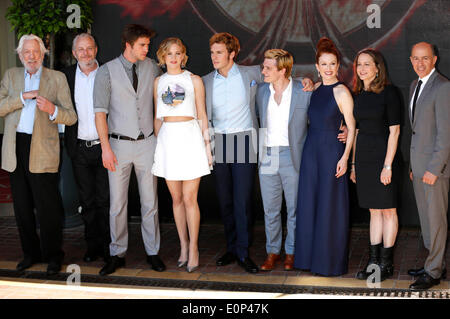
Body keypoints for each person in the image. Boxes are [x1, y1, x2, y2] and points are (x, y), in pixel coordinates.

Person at [202, 32, 312, 274]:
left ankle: (244, 251)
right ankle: (232, 248)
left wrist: (307, 80)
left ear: (232, 54)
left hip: (245, 141)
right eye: (212, 52)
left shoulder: (251, 74)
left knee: (243, 201)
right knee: (226, 201)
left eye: (219, 52)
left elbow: (287, 79)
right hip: (219, 142)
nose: (214, 57)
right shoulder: (205, 80)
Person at [0, 34, 77, 275]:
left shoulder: (57, 78)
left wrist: (53, 109)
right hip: (15, 148)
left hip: (43, 148)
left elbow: (71, 116)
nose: (31, 56)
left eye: (35, 52)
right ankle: (29, 254)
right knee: (22, 208)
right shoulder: (11, 76)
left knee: (48, 209)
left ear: (43, 53)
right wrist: (22, 98)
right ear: (19, 55)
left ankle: (53, 256)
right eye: (26, 52)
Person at [94, 24, 165, 276]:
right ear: (128, 45)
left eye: (148, 45)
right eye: (142, 45)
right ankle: (117, 253)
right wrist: (105, 148)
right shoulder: (105, 72)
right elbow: (100, 114)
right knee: (117, 204)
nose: (148, 49)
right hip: (117, 145)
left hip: (147, 143)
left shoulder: (153, 67)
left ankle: (153, 252)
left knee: (150, 202)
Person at [294, 37, 356, 276]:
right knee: (310, 203)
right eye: (324, 64)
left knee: (330, 206)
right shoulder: (316, 88)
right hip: (311, 151)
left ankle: (329, 262)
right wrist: (308, 81)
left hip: (332, 152)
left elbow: (351, 126)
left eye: (333, 64)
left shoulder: (342, 91)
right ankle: (310, 259)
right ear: (317, 66)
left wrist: (345, 159)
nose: (329, 68)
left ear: (338, 65)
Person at [152, 38, 212, 273]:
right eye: (169, 54)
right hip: (168, 140)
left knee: (190, 199)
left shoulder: (194, 80)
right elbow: (157, 117)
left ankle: (195, 248)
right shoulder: (158, 82)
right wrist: (159, 146)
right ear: (163, 58)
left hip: (190, 138)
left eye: (178, 53)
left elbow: (203, 115)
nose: (174, 58)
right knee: (176, 199)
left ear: (184, 56)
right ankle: (183, 246)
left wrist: (208, 147)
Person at [350, 49, 401, 282]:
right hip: (364, 159)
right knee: (373, 211)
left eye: (367, 64)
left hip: (384, 158)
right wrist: (353, 165)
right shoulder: (358, 95)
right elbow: (357, 131)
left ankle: (386, 265)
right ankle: (373, 263)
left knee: (388, 210)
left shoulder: (389, 93)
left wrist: (387, 166)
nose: (362, 68)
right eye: (359, 64)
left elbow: (395, 131)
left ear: (377, 67)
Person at [62, 33, 110, 263]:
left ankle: (109, 244)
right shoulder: (67, 76)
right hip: (79, 148)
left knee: (105, 199)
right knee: (87, 200)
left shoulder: (108, 72)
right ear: (74, 53)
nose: (85, 53)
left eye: (89, 48)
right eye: (80, 50)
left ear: (96, 49)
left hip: (105, 147)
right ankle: (93, 246)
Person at [407, 42, 450, 290]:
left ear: (434, 59)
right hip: (419, 166)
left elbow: (445, 135)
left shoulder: (443, 87)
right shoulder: (415, 85)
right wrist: (416, 165)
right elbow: (418, 131)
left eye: (425, 58)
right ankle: (433, 263)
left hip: (436, 170)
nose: (420, 63)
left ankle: (433, 272)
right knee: (426, 220)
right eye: (415, 59)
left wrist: (434, 168)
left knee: (436, 221)